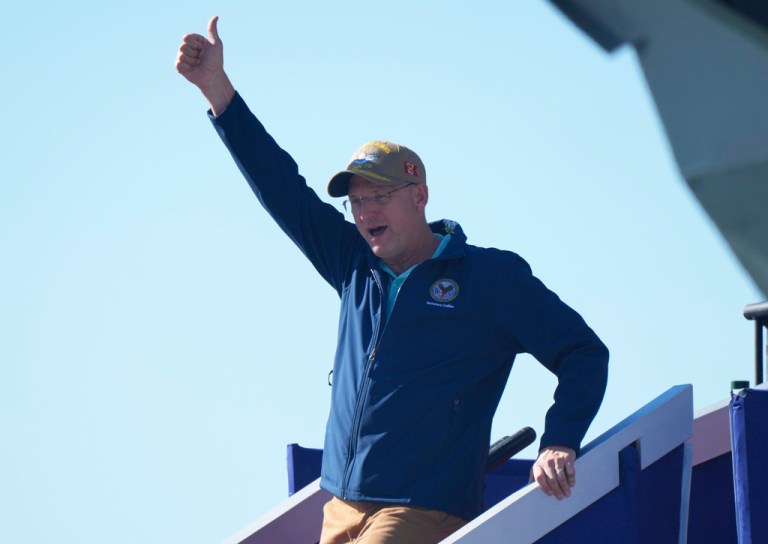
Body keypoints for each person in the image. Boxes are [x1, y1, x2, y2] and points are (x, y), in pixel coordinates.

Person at [176, 16, 609, 544]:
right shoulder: (353, 264)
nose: (365, 211)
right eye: (357, 201)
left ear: (419, 197)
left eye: (379, 196)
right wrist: (216, 89)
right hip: (340, 502)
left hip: (424, 505)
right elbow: (281, 187)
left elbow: (583, 352)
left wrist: (560, 440)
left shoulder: (490, 277)